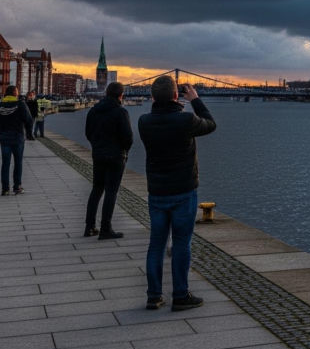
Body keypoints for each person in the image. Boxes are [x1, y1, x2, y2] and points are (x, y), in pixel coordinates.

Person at [138, 75, 216, 311]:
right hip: (183, 190)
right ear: (175, 95)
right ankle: (180, 295)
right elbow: (210, 124)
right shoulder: (186, 120)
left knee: (156, 244)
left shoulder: (144, 121)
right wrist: (195, 100)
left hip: (157, 192)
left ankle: (154, 296)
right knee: (182, 243)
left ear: (152, 97)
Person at [84, 81, 133, 239]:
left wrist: (97, 146)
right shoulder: (121, 112)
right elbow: (128, 137)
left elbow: (88, 133)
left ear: (106, 94)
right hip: (116, 156)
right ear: (121, 95)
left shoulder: (93, 111)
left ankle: (89, 227)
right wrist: (124, 150)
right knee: (111, 191)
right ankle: (106, 228)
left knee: (97, 189)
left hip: (98, 155)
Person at [0, 84, 34, 195]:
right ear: (15, 93)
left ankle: (5, 189)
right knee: (18, 162)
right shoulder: (20, 104)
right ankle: (17, 187)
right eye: (17, 91)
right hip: (17, 138)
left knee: (5, 163)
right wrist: (29, 134)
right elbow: (29, 120)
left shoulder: (0, 105)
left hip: (4, 138)